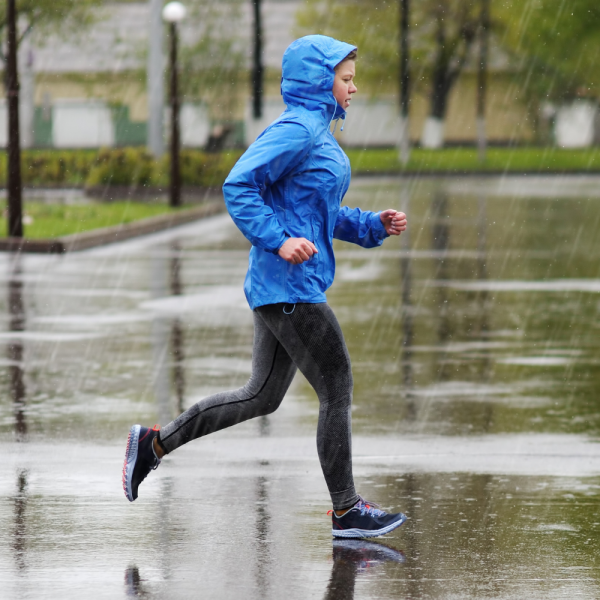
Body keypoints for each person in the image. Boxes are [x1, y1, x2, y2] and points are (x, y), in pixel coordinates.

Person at [123, 35, 408, 539]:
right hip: (289, 286)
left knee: (260, 396)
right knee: (337, 385)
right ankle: (347, 511)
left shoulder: (317, 132)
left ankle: (153, 445)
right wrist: (279, 242)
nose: (354, 88)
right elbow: (239, 184)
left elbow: (316, 212)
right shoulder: (299, 129)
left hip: (286, 286)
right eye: (346, 79)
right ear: (321, 82)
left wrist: (371, 226)